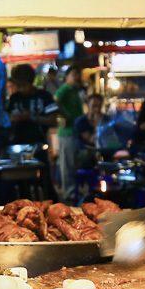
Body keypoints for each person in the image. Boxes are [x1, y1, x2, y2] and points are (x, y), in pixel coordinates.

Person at [6, 64, 56, 146]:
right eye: (18, 86)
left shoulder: (45, 96)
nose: (20, 89)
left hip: (41, 143)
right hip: (18, 143)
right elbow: (8, 119)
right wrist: (13, 119)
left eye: (23, 85)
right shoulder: (14, 98)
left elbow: (53, 120)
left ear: (31, 81)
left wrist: (31, 117)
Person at [55, 66, 85, 202]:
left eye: (78, 75)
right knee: (67, 164)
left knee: (72, 163)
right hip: (66, 132)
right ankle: (69, 194)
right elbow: (55, 100)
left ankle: (73, 192)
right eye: (73, 75)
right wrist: (64, 115)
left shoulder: (74, 91)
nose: (76, 77)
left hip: (75, 132)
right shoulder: (65, 88)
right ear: (67, 77)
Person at [74, 94, 104, 166]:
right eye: (94, 106)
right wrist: (97, 124)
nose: (96, 109)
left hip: (104, 149)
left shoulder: (106, 119)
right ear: (88, 105)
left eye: (99, 106)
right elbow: (91, 140)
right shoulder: (81, 121)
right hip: (87, 151)